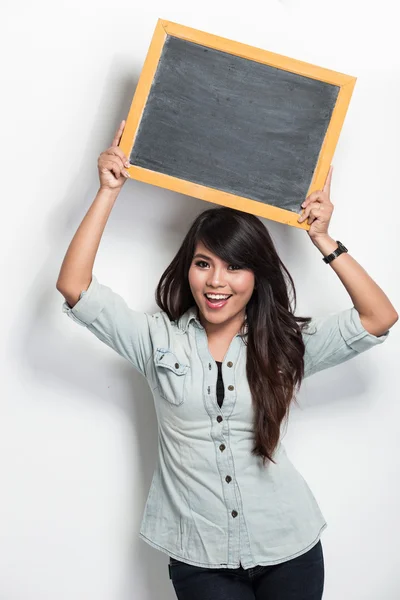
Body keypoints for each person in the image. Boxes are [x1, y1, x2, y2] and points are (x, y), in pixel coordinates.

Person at [56, 120, 398, 600]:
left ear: (257, 276)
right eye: (204, 263)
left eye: (235, 265)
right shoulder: (157, 342)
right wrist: (109, 192)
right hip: (199, 557)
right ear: (188, 269)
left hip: (289, 547)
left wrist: (324, 238)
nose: (217, 281)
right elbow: (75, 287)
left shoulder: (283, 345)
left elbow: (380, 316)